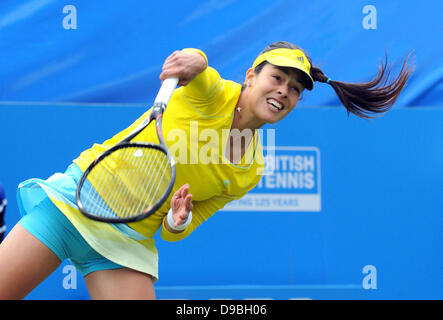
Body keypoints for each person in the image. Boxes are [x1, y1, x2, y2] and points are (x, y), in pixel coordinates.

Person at [0, 41, 413, 299]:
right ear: (251, 76)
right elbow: (200, 67)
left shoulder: (250, 170)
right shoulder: (213, 95)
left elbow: (181, 227)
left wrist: (179, 221)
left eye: (294, 89)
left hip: (125, 244)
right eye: (277, 77)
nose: (283, 91)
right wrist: (189, 59)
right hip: (72, 207)